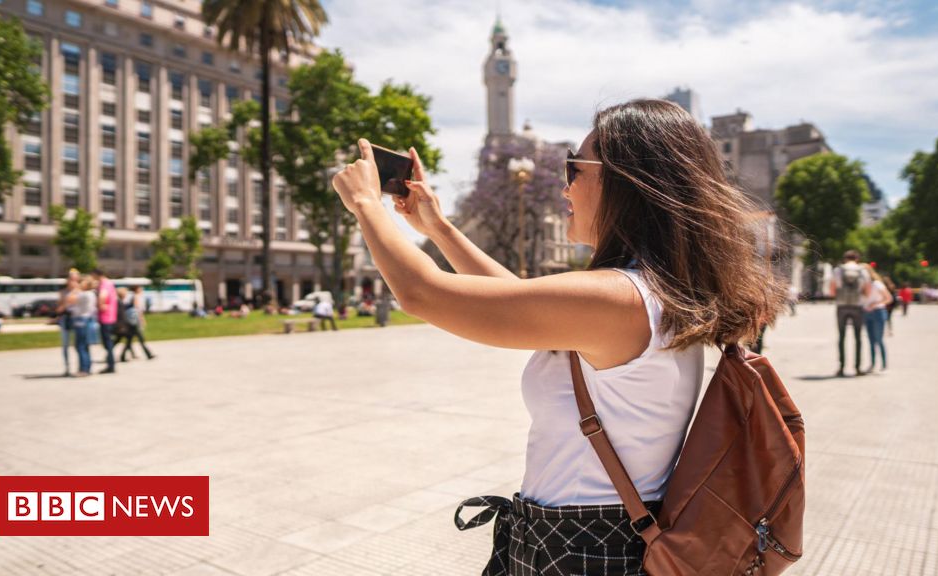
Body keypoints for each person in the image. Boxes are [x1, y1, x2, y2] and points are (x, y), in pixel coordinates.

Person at [331, 100, 786, 574]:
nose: (563, 184)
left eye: (574, 167)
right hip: (602, 539)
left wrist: (365, 204)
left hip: (582, 552)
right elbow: (520, 300)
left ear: (626, 183)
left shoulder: (621, 298)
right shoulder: (652, 290)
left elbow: (423, 294)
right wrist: (439, 229)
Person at [830, 250, 872, 377]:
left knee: (842, 337)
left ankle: (842, 367)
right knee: (858, 338)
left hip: (842, 306)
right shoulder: (862, 271)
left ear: (844, 259)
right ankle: (857, 368)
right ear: (857, 259)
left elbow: (832, 291)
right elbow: (868, 290)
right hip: (857, 306)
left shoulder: (838, 270)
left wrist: (838, 296)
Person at [863, 265, 893, 372]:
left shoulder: (877, 284)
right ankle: (872, 364)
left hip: (878, 313)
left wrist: (875, 304)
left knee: (879, 339)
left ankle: (884, 364)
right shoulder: (862, 285)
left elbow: (889, 298)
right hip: (867, 313)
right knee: (871, 341)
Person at [91, 269, 118, 374]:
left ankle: (111, 365)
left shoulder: (104, 284)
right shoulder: (110, 283)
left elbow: (102, 296)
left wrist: (98, 304)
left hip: (105, 317)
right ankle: (110, 363)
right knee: (108, 342)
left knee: (107, 342)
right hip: (111, 316)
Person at [70, 277, 97, 377]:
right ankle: (87, 367)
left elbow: (71, 299)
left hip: (81, 320)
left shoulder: (84, 294)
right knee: (85, 345)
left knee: (80, 346)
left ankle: (83, 369)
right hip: (88, 320)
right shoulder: (91, 294)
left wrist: (75, 289)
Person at [120, 286, 155, 361]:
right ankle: (148, 354)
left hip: (131, 321)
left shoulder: (130, 297)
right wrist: (142, 319)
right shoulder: (135, 296)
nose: (142, 289)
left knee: (130, 339)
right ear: (136, 289)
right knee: (140, 338)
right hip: (134, 321)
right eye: (140, 288)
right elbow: (137, 310)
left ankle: (122, 356)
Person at [56, 270, 80, 375]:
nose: (73, 282)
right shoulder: (63, 292)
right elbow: (59, 309)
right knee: (65, 345)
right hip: (66, 319)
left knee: (79, 345)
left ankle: (80, 367)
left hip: (77, 319)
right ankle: (67, 367)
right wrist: (66, 302)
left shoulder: (81, 292)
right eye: (71, 279)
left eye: (75, 279)